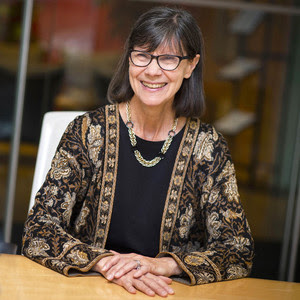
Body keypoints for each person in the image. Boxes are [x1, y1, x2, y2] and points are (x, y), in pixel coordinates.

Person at [22, 6, 254, 297]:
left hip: (168, 293)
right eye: (142, 55)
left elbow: (238, 249)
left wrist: (166, 266)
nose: (152, 70)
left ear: (190, 66)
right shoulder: (87, 132)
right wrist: (106, 263)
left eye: (168, 59)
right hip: (87, 289)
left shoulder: (209, 149)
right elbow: (38, 229)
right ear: (129, 58)